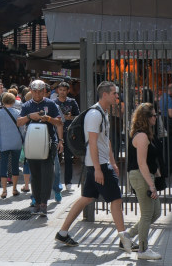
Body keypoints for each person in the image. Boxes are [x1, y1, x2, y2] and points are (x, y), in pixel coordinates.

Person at [56, 81, 134, 253]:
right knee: (116, 200)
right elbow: (92, 143)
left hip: (100, 164)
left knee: (87, 198)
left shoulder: (103, 113)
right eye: (114, 93)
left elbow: (106, 141)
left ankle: (62, 232)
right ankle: (124, 239)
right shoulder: (94, 114)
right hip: (98, 165)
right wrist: (99, 168)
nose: (117, 96)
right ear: (104, 94)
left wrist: (113, 161)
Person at [18, 80, 62, 217]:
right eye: (34, 91)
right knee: (35, 175)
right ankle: (36, 202)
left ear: (44, 91)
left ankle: (44, 203)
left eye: (40, 91)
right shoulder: (26, 105)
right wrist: (30, 116)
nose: (37, 94)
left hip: (49, 143)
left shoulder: (51, 104)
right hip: (32, 144)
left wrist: (48, 119)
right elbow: (18, 122)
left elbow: (59, 122)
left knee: (47, 174)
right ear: (31, 91)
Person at [127, 103, 163, 260]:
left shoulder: (145, 134)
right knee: (148, 214)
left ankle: (127, 236)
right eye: (154, 115)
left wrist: (156, 172)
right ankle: (143, 249)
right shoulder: (141, 136)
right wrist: (151, 185)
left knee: (156, 212)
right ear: (147, 118)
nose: (156, 117)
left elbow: (147, 160)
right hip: (141, 177)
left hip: (145, 175)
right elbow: (141, 163)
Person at [0, 91, 23, 198]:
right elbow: (22, 129)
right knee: (15, 165)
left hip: (3, 142)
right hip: (16, 142)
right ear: (14, 101)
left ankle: (4, 190)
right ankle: (14, 188)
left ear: (3, 101)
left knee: (3, 165)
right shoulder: (18, 113)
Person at [55, 81, 79, 190]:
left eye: (64, 90)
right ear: (57, 91)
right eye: (60, 90)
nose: (62, 92)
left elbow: (78, 118)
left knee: (68, 158)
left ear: (68, 91)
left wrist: (71, 118)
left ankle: (68, 182)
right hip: (55, 134)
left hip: (69, 133)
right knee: (55, 158)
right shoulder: (53, 103)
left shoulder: (72, 102)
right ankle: (55, 181)